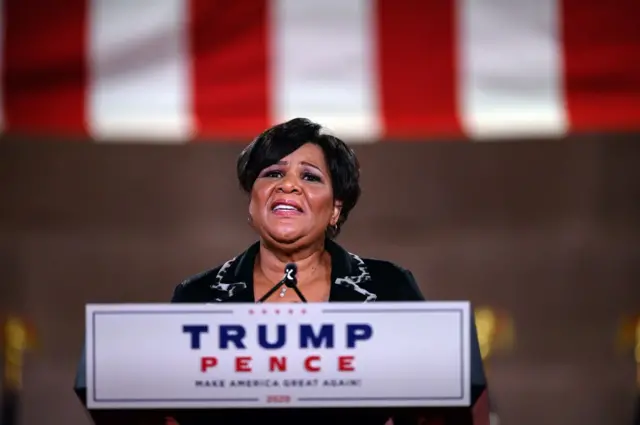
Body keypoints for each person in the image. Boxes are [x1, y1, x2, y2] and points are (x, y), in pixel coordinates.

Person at [169, 118, 489, 425]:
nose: (288, 185)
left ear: (335, 208)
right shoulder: (198, 296)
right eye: (272, 174)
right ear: (253, 203)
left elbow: (432, 401)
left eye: (309, 177)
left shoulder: (387, 288)